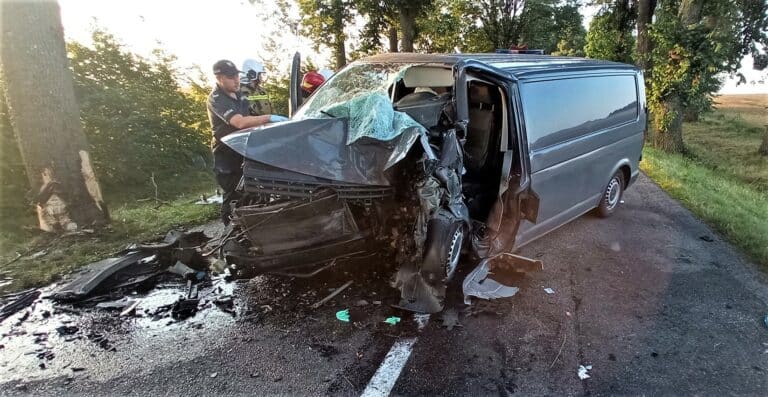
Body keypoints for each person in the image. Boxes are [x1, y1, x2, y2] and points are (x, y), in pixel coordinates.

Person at [206, 59, 287, 225]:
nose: (236, 80)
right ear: (219, 78)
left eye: (236, 75)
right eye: (231, 77)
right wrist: (269, 118)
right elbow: (240, 122)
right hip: (226, 153)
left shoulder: (240, 95)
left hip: (244, 148)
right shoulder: (217, 98)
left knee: (255, 189)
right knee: (233, 192)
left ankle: (256, 225)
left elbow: (251, 119)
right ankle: (229, 231)